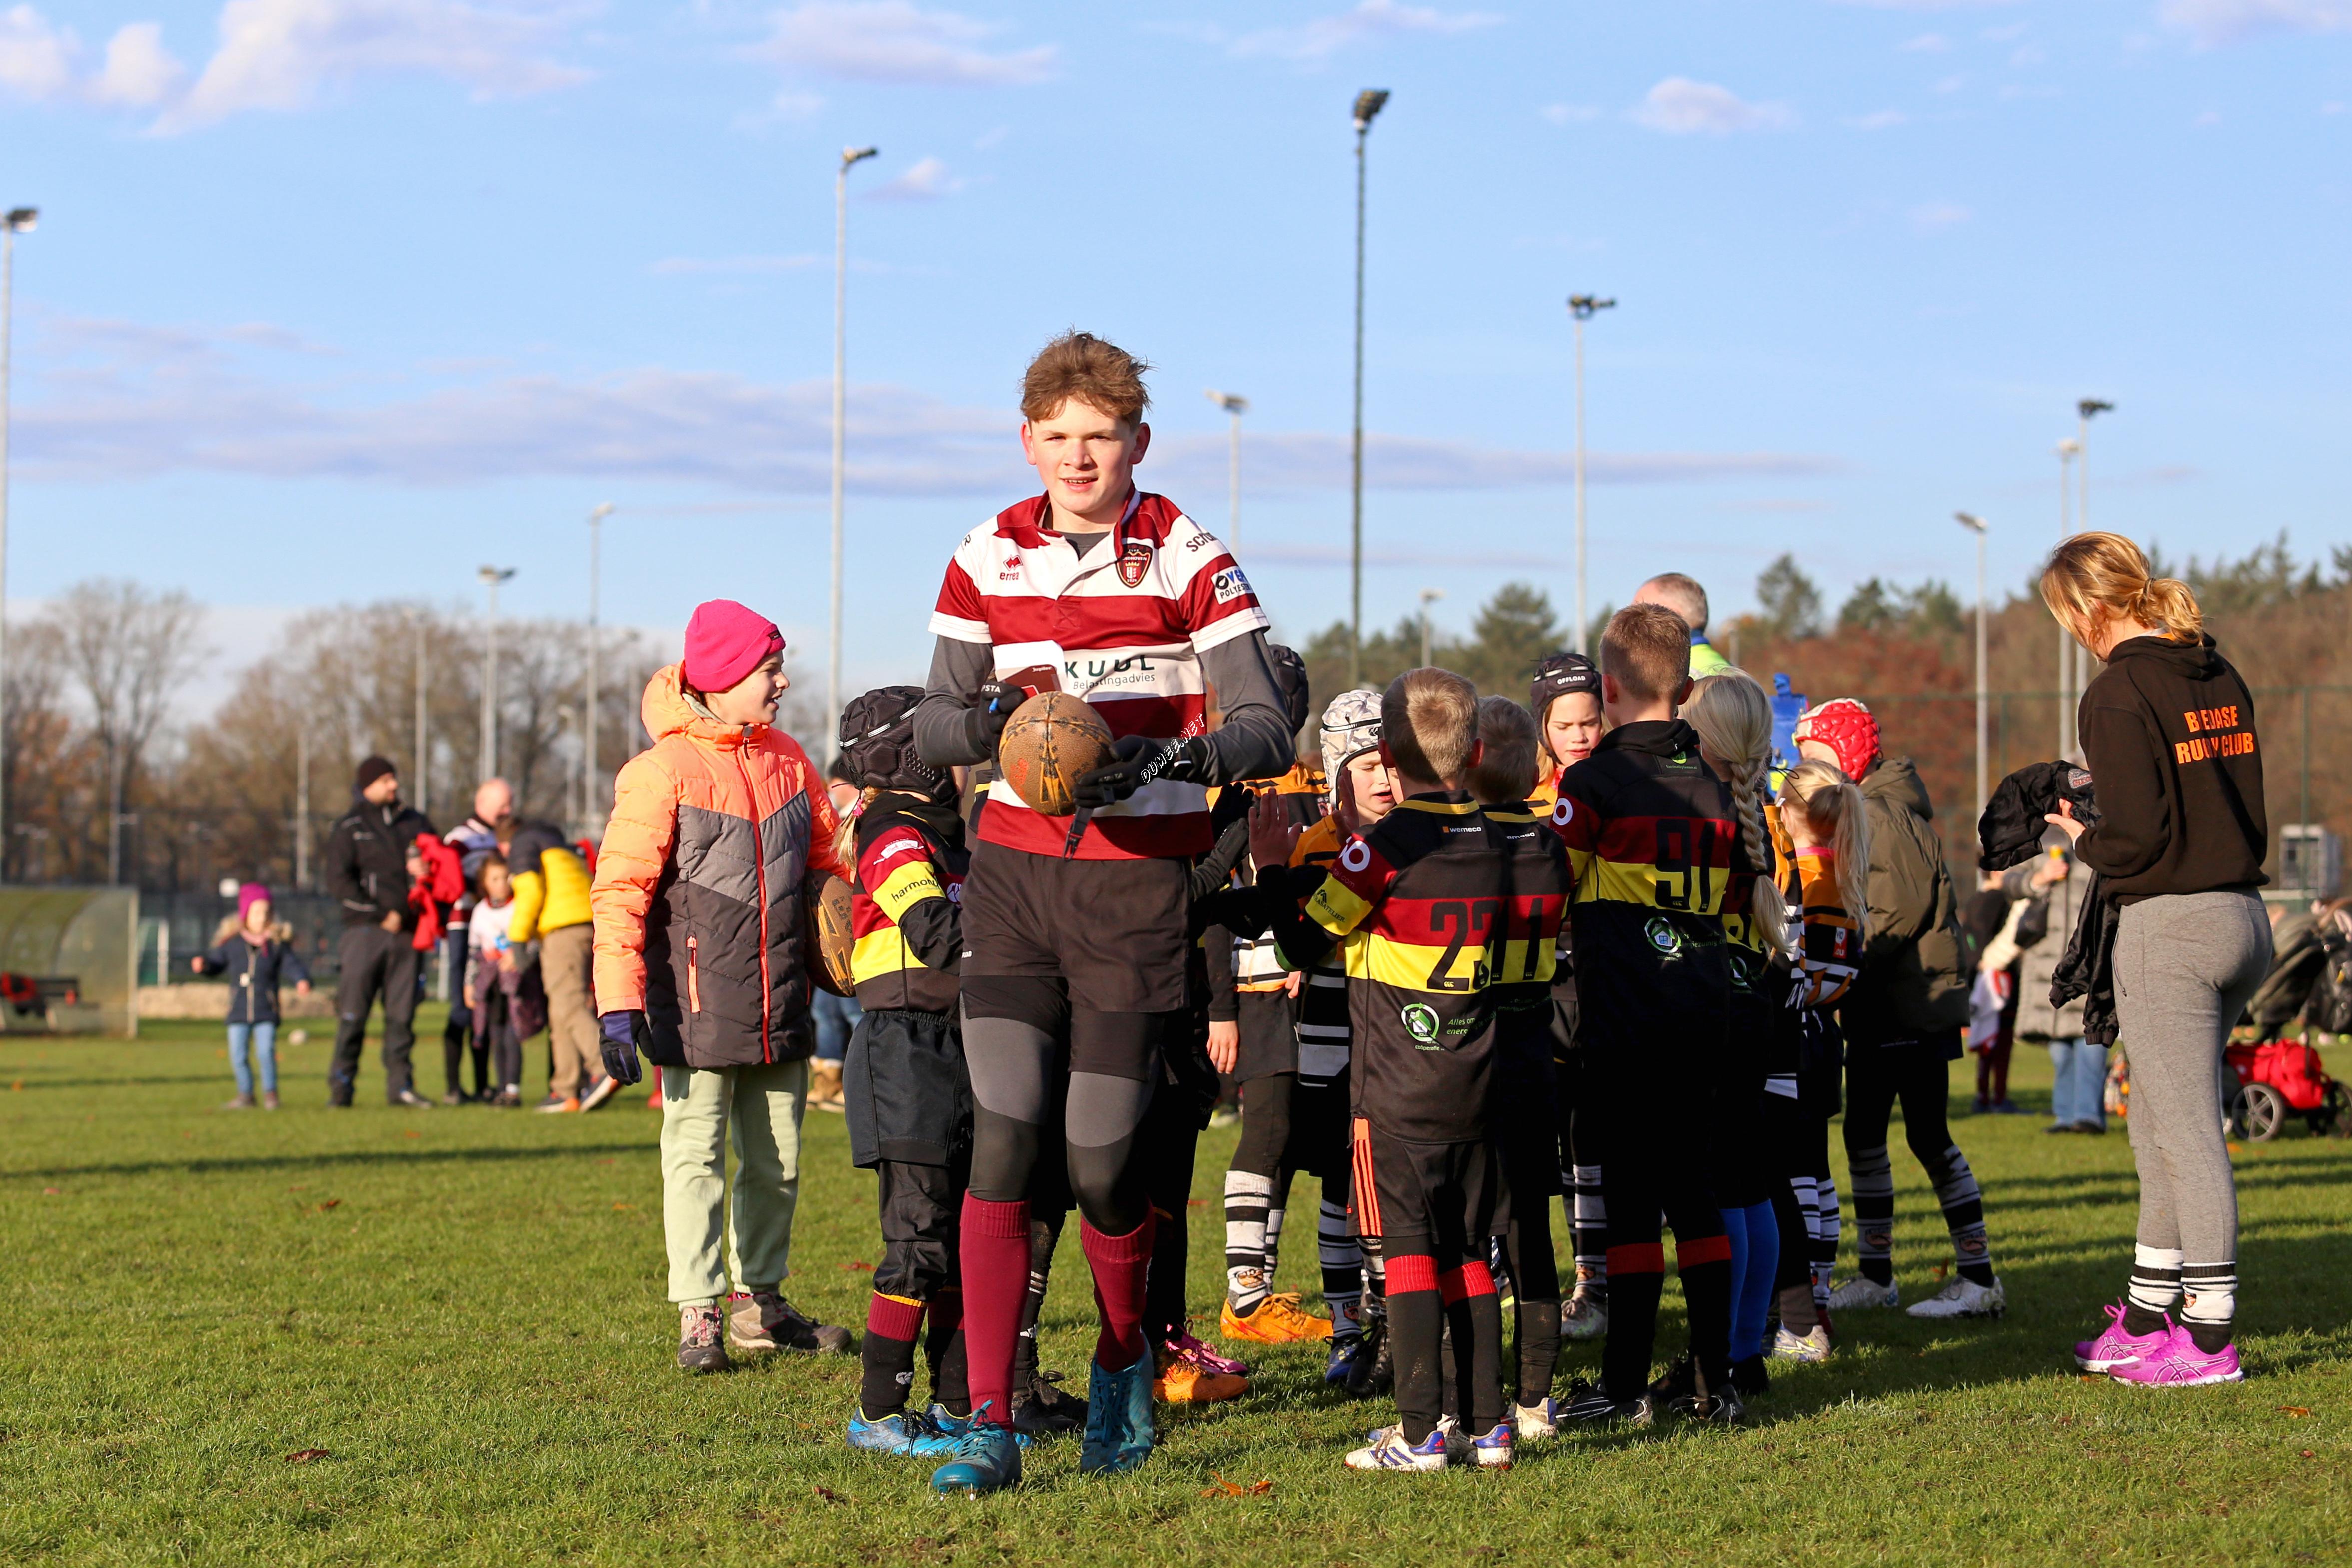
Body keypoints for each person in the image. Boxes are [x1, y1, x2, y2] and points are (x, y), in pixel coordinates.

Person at [909, 331, 1293, 1495]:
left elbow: (1267, 724)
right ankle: (988, 1421)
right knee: (1006, 1140)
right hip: (1017, 888)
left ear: (1137, 441)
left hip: (1133, 895)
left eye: (1101, 435)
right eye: (1057, 436)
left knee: (1099, 1168)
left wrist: (1163, 754)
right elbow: (928, 722)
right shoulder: (986, 551)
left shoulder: (1188, 552)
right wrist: (996, 730)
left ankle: (1123, 1361)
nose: (1079, 456)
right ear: (1027, 440)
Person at [1222, 667, 1520, 1472]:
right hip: (1483, 1075)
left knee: (1414, 1248)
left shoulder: (1383, 848)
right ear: (1477, 749)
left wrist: (1276, 872)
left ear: (1388, 753)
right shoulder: (1501, 838)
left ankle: (1420, 1431)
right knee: (1469, 1247)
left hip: (1398, 1085)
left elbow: (1299, 944)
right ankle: (1489, 1425)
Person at [591, 599, 856, 1374]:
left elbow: (827, 865)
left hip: (781, 1002)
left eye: (779, 669)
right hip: (698, 1004)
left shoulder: (790, 759)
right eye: (768, 670)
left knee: (778, 1158)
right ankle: (700, 1311)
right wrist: (618, 1003)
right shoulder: (658, 773)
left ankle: (760, 1303)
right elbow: (620, 894)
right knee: (695, 1155)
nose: (779, 683)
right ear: (724, 676)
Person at [2042, 533, 2269, 1388]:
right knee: (2157, 1123)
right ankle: (2146, 1313)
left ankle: (2207, 1337)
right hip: (2242, 915)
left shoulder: (2117, 688)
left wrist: (2076, 833)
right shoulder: (2215, 668)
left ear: (2086, 609)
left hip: (2171, 927)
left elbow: (2133, 835)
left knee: (2184, 1130)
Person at [1552, 603, 1743, 1428]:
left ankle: (1624, 1384)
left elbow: (1547, 887)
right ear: (1688, 685)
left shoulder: (1592, 782)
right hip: (1703, 1012)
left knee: (1630, 1205)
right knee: (1696, 1197)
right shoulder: (1715, 781)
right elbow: (1734, 897)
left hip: (1623, 1019)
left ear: (1610, 686)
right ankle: (1716, 1379)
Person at [1798, 699, 2003, 1322]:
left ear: (1844, 755)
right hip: (1878, 1007)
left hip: (1909, 1005)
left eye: (1815, 759)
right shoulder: (1871, 807)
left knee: (1927, 1136)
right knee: (1862, 1134)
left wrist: (1842, 959)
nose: (1808, 774)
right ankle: (1876, 1275)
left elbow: (1897, 911)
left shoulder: (1881, 813)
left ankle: (1978, 1277)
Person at [832, 688, 977, 1456]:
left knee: (957, 1236)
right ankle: (877, 1413)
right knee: (918, 1238)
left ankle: (956, 1404)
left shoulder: (954, 832)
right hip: (903, 1048)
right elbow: (931, 930)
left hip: (955, 1042)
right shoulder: (890, 829)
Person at [1466, 694, 1574, 1440]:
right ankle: (1537, 1399)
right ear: (1537, 763)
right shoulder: (1549, 844)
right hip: (1537, 1045)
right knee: (1530, 1229)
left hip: (1470, 1049)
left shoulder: (1455, 846)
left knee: (1468, 1233)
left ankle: (1477, 1397)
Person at [1683, 672, 1793, 1400]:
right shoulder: (1760, 811)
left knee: (1724, 1183)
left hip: (1712, 1000)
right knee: (1750, 1182)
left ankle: (1721, 1353)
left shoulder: (1699, 808)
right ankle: (1745, 1349)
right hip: (1755, 992)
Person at [1526, 650, 1610, 1342]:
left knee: (1594, 1137)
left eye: (1589, 720)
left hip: (1610, 984)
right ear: (1543, 729)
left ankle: (1596, 1278)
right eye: (1565, 724)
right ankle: (1550, 1276)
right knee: (1551, 1137)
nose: (1580, 734)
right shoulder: (1530, 798)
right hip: (1547, 988)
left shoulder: (1618, 788)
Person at [324, 755, 436, 1108]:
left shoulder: (414, 822)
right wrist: (380, 914)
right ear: (368, 784)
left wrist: (426, 867)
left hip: (409, 935)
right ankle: (341, 1089)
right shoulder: (350, 827)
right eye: (386, 779)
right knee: (353, 1015)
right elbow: (339, 882)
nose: (394, 785)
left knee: (402, 1017)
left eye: (394, 778)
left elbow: (441, 862)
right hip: (365, 934)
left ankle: (401, 1088)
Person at [502, 810, 612, 1113]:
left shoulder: (522, 844)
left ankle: (604, 1067)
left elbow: (530, 892)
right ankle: (566, 1089)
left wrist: (518, 940)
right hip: (586, 923)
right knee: (560, 1009)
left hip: (562, 930)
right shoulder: (558, 844)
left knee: (569, 1004)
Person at [192, 882, 311, 1111]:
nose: (262, 917)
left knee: (266, 1053)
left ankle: (271, 1095)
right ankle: (246, 1095)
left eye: (267, 912)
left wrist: (302, 980)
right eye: (257, 912)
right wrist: (204, 966)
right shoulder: (232, 944)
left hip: (266, 1010)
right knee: (239, 1056)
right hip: (237, 1011)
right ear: (246, 914)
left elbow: (293, 966)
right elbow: (216, 964)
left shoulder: (276, 946)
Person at [2013, 848, 2105, 1133]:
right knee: (2059, 1047)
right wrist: (2038, 878)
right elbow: (2006, 881)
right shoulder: (2039, 835)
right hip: (2047, 959)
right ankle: (2065, 1115)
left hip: (2091, 953)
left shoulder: (2099, 831)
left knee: (2091, 1039)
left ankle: (2088, 1116)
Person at [440, 782, 508, 1104]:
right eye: (502, 805)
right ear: (482, 802)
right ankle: (454, 1087)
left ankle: (484, 1086)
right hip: (462, 928)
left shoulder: (500, 839)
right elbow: (449, 883)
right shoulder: (459, 838)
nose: (507, 811)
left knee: (488, 1009)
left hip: (493, 934)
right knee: (462, 1006)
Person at [810, 756, 865, 1115]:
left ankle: (863, 1079)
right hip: (832, 931)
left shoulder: (860, 820)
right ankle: (827, 1082)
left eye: (835, 784)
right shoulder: (835, 821)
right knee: (824, 1011)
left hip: (852, 928)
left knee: (854, 1012)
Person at [465, 853, 528, 1106]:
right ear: (485, 883)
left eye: (505, 877)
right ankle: (501, 1087)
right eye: (495, 879)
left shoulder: (520, 906)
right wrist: (469, 984)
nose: (502, 883)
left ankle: (513, 1088)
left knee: (514, 1033)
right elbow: (474, 953)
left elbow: (531, 940)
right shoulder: (480, 912)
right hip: (491, 984)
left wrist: (518, 956)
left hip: (516, 982)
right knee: (496, 1033)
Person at [1633, 573, 1732, 680]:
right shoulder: (1733, 675)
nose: (1631, 624)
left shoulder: (1674, 680)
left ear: (1673, 618)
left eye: (1641, 614)